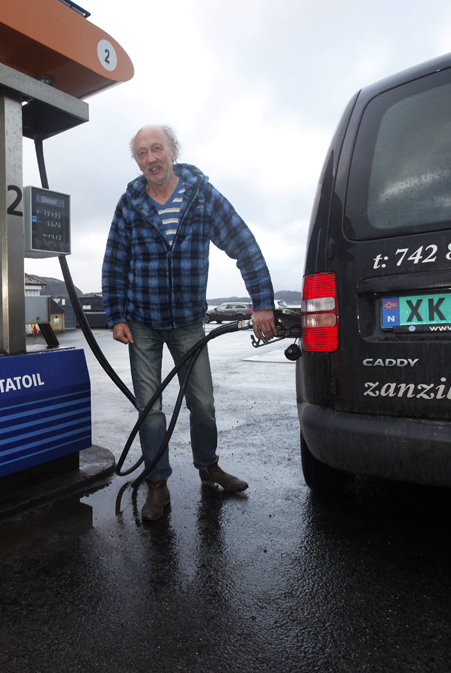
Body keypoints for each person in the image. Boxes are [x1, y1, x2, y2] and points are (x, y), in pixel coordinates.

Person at [101, 124, 276, 521]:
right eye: (142, 153)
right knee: (151, 409)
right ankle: (157, 487)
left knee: (203, 404)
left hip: (187, 322)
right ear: (137, 161)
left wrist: (263, 302)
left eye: (157, 149)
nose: (151, 159)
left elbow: (243, 242)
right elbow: (114, 262)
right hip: (142, 322)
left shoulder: (201, 196)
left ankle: (208, 467)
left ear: (174, 151)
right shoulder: (129, 204)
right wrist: (116, 316)